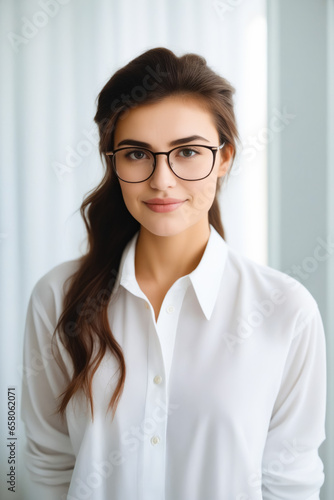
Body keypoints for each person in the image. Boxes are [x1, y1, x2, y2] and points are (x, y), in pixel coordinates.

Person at [21, 47, 326, 500]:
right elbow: (42, 464)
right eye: (137, 154)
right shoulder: (58, 297)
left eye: (187, 151)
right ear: (113, 161)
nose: (162, 179)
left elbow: (291, 483)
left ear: (224, 158)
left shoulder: (286, 310)